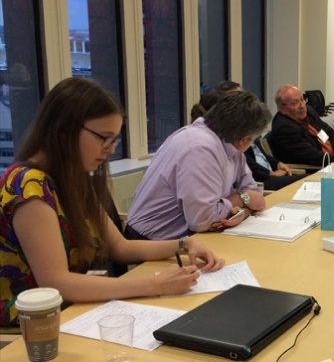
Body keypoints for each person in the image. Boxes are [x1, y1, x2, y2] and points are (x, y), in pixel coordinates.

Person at [0, 78, 224, 327]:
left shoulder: (73, 178)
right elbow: (57, 283)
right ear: (64, 129)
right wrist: (155, 284)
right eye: (104, 138)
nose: (109, 149)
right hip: (30, 330)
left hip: (74, 313)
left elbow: (120, 247)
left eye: (114, 140)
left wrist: (184, 243)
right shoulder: (27, 186)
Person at [127, 90, 269, 240]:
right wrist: (243, 199)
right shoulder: (199, 149)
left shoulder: (230, 146)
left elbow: (254, 194)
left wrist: (242, 212)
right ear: (245, 140)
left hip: (194, 239)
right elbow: (203, 219)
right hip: (151, 244)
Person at [270, 85, 334, 166]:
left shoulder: (309, 112)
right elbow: (313, 157)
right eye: (295, 103)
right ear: (282, 108)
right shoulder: (285, 128)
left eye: (302, 99)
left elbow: (330, 132)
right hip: (315, 169)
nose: (302, 106)